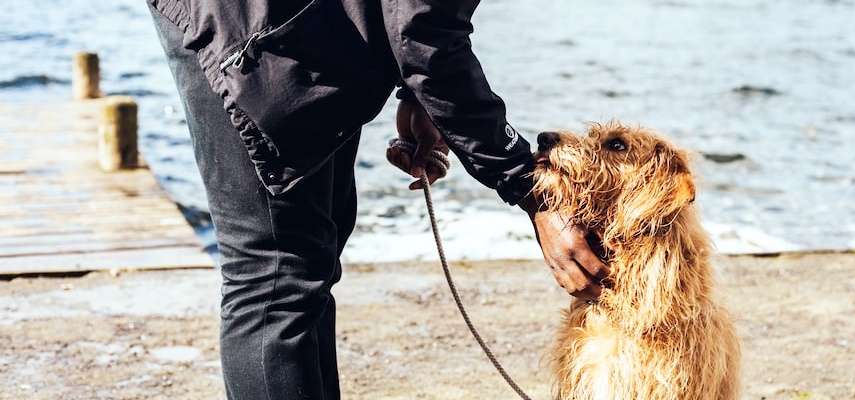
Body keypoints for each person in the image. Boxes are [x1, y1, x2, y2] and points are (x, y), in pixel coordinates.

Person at [146, 0, 610, 399]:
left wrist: (416, 91)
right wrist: (530, 190)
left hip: (310, 24)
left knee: (309, 265)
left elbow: (417, 19)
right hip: (251, 27)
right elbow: (421, 27)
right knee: (274, 278)